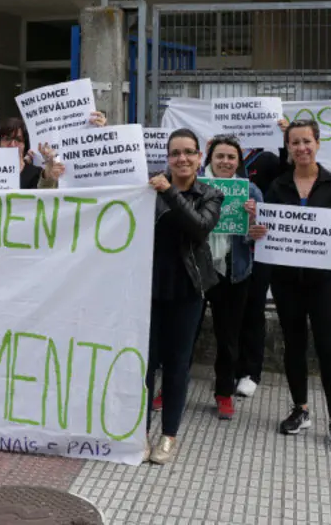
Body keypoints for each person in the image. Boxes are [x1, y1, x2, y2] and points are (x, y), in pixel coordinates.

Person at [260, 118, 331, 453]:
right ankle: (300, 409)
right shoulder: (278, 186)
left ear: (318, 143)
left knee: (329, 349)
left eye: (307, 141)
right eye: (295, 143)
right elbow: (265, 228)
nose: (301, 148)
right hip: (287, 282)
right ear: (287, 148)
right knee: (294, 345)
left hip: (324, 283)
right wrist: (257, 231)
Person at [144, 128, 221, 465]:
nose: (182, 159)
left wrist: (170, 193)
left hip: (188, 290)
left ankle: (168, 434)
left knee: (177, 366)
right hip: (148, 290)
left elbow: (199, 227)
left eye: (188, 152)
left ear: (198, 157)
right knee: (145, 366)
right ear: (167, 157)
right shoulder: (149, 187)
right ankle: (140, 432)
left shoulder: (210, 194)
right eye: (175, 153)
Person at [201, 135, 267, 420]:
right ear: (210, 160)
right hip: (199, 269)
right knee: (186, 335)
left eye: (231, 157)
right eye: (220, 157)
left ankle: (224, 392)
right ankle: (169, 388)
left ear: (238, 161)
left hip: (234, 272)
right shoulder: (195, 186)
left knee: (229, 337)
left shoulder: (250, 190)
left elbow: (262, 234)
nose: (225, 162)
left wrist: (253, 224)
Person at [234, 148, 284, 398]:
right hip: (228, 248)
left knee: (253, 309)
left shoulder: (267, 159)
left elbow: (288, 182)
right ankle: (230, 368)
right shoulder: (219, 151)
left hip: (259, 248)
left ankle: (250, 371)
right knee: (229, 311)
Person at [0, 118, 64, 189]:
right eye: (7, 139)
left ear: (25, 145)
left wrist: (49, 170)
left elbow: (44, 195)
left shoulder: (37, 174)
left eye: (18, 139)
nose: (13, 145)